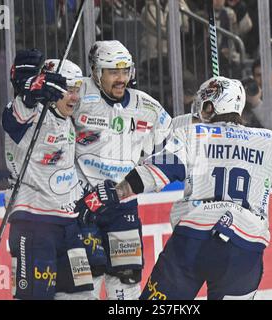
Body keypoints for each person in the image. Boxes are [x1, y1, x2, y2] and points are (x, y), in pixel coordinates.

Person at [74, 76, 272, 300]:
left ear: (211, 105)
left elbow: (156, 171)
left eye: (203, 102)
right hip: (245, 247)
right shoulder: (270, 142)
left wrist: (112, 193)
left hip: (193, 241)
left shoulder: (193, 134)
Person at [72, 40, 172, 300]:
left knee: (126, 278)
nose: (121, 78)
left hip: (122, 205)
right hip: (83, 205)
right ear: (96, 72)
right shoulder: (78, 94)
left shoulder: (147, 107)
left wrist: (203, 120)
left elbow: (173, 144)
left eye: (125, 71)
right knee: (86, 281)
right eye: (113, 72)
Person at [2, 52, 94, 300]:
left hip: (69, 224)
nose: (75, 96)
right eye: (68, 90)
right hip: (34, 223)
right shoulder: (32, 113)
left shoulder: (66, 118)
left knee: (83, 296)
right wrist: (33, 92)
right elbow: (12, 119)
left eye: (77, 89)